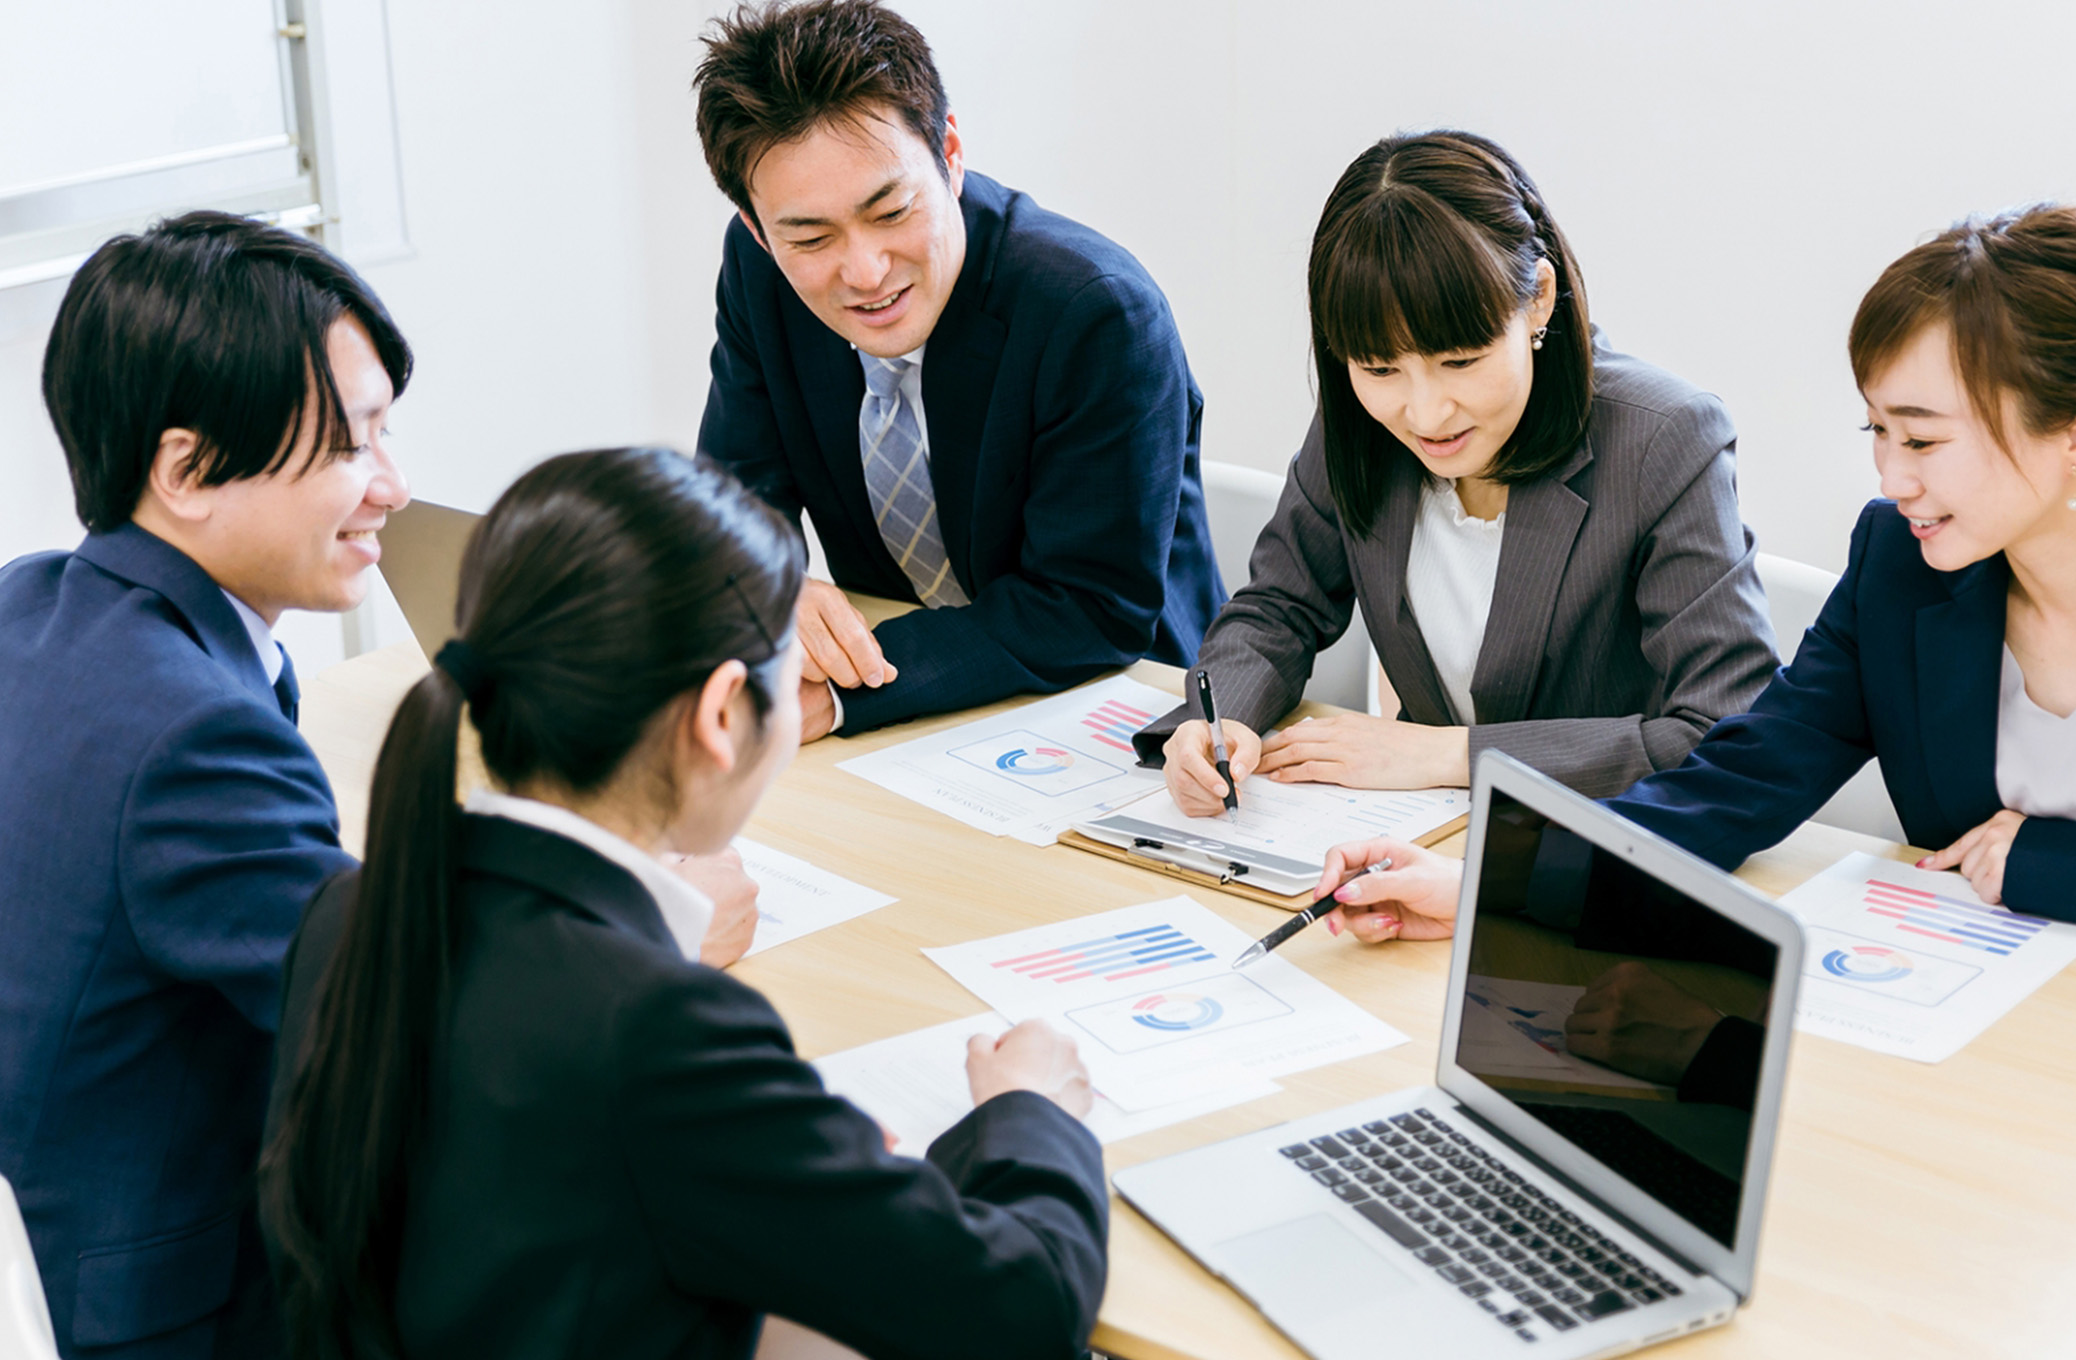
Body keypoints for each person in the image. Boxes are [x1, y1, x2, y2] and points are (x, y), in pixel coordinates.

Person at [1309, 204, 2076, 968]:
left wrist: (2052, 865)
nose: (1889, 477)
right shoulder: (1900, 565)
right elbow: (1736, 782)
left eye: (1924, 440)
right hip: (1957, 1016)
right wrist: (1489, 891)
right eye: (1877, 433)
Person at [259, 447, 1108, 1360]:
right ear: (719, 716)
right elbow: (1020, 1312)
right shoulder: (663, 1030)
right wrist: (1032, 1115)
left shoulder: (350, 912)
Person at [0, 212, 409, 1359]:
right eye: (350, 446)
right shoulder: (189, 736)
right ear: (185, 470)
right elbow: (402, 1015)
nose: (393, 484)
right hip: (152, 1315)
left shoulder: (28, 603)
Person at [1134, 130, 1777, 807]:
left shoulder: (1664, 441)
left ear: (1537, 300)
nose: (1426, 413)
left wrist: (1452, 753)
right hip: (1418, 832)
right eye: (1381, 368)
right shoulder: (1365, 423)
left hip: (1600, 845)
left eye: (1460, 361)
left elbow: (1726, 734)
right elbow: (1279, 607)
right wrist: (1221, 720)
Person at [692, 0, 1222, 740]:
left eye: (891, 210)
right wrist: (767, 590)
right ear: (757, 227)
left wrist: (849, 690)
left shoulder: (1098, 314)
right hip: (912, 728)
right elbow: (734, 495)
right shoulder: (758, 272)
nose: (865, 271)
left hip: (1119, 717)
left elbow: (1089, 608)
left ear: (950, 152)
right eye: (810, 238)